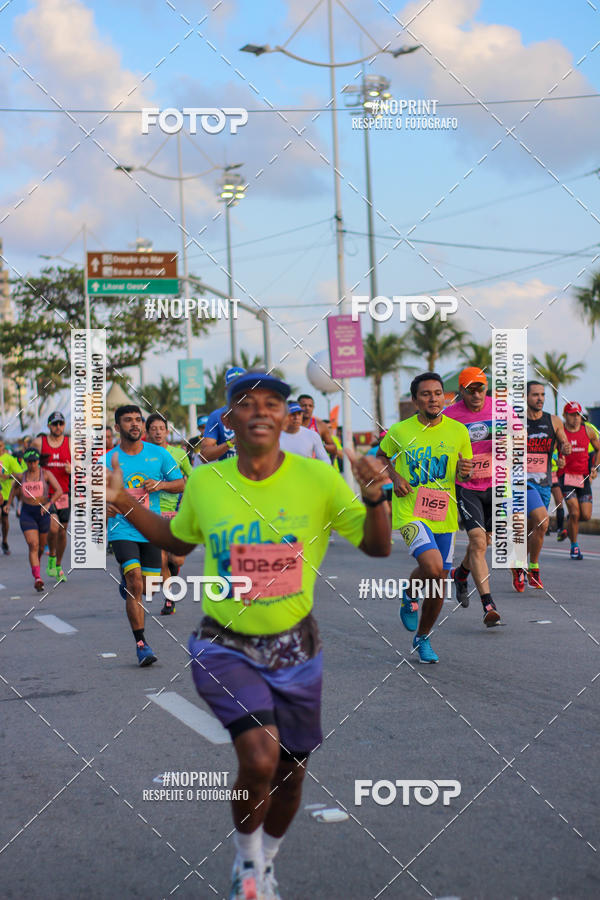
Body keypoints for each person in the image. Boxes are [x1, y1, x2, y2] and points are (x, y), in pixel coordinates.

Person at [105, 370, 391, 900]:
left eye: (272, 403)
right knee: (259, 759)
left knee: (292, 770)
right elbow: (175, 537)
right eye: (246, 403)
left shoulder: (319, 479)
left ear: (286, 418)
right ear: (229, 420)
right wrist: (122, 500)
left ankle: (267, 858)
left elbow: (377, 549)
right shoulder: (208, 482)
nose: (260, 410)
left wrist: (376, 499)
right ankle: (248, 864)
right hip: (225, 643)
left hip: (296, 648)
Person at [377, 372, 473, 663]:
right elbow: (381, 457)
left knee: (439, 581)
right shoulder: (400, 431)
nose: (433, 398)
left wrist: (464, 472)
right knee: (432, 567)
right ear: (415, 399)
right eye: (426, 394)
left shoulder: (458, 431)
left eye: (438, 393)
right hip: (410, 510)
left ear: (445, 396)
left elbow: (462, 470)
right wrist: (394, 476)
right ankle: (409, 594)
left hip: (444, 513)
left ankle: (422, 637)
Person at [102, 405, 184, 666]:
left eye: (138, 420)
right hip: (121, 529)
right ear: (117, 427)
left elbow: (181, 483)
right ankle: (141, 644)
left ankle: (129, 585)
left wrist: (160, 485)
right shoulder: (107, 459)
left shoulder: (158, 454)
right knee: (136, 581)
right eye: (128, 421)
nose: (135, 424)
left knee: (150, 585)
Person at [444, 367, 501, 626]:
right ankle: (488, 605)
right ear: (462, 392)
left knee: (484, 543)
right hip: (466, 486)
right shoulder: (450, 416)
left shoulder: (501, 409)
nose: (477, 394)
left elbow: (518, 439)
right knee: (478, 542)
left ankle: (461, 573)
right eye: (471, 390)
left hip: (497, 484)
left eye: (481, 388)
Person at [522, 382, 571, 589]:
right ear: (525, 397)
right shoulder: (516, 421)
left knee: (533, 528)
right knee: (542, 522)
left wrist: (564, 452)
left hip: (544, 481)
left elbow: (564, 445)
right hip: (521, 482)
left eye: (542, 394)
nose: (540, 398)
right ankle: (533, 567)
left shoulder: (554, 421)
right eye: (535, 395)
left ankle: (518, 564)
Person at [145, 412, 193, 614]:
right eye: (153, 429)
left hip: (177, 511)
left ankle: (174, 572)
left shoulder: (179, 454)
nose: (157, 432)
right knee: (162, 559)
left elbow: (191, 480)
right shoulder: (143, 454)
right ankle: (169, 598)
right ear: (147, 432)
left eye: (161, 429)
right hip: (154, 512)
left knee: (177, 560)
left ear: (167, 431)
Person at [8, 448, 62, 591]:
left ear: (38, 461)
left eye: (35, 461)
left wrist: (49, 504)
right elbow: (14, 488)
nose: (32, 464)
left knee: (40, 546)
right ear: (26, 462)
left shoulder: (45, 474)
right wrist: (8, 504)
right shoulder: (21, 476)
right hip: (28, 513)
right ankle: (38, 578)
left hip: (43, 512)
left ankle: (37, 565)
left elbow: (59, 490)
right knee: (33, 544)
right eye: (30, 462)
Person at [556, 402, 600, 560]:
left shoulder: (587, 430)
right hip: (566, 476)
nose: (575, 418)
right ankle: (574, 547)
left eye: (578, 415)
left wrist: (595, 467)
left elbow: (598, 448)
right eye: (572, 415)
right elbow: (551, 451)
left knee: (586, 516)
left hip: (583, 477)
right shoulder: (560, 432)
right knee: (575, 512)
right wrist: (557, 459)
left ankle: (570, 523)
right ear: (565, 415)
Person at [33, 411, 71, 583]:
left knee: (63, 532)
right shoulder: (39, 442)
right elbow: (30, 464)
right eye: (54, 424)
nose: (58, 427)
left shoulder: (71, 443)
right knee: (54, 526)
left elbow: (84, 466)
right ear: (48, 425)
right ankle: (51, 558)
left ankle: (58, 564)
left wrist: (74, 469)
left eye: (60, 424)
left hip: (64, 492)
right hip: (46, 494)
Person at [200, 367, 246, 462]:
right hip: (227, 474)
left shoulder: (260, 412)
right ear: (227, 389)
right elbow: (204, 456)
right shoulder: (217, 416)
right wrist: (232, 442)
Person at [0, 439, 26, 555]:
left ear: (3, 445)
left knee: (4, 520)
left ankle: (4, 541)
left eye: (0, 445)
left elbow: (20, 474)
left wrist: (8, 476)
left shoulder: (9, 459)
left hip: (6, 493)